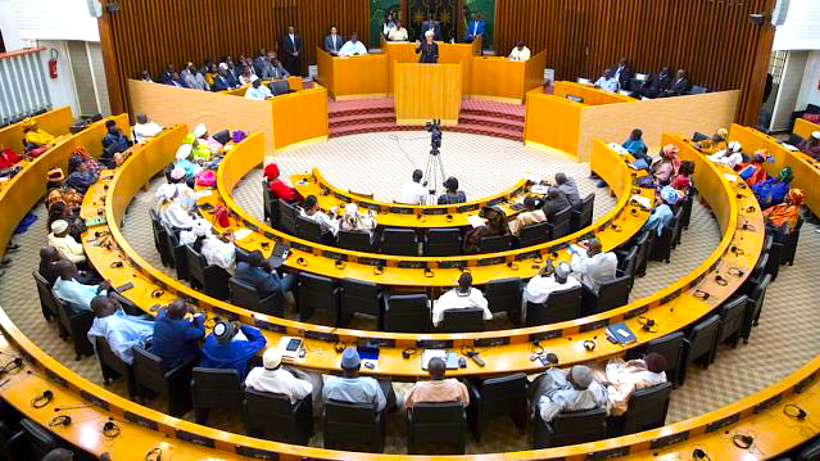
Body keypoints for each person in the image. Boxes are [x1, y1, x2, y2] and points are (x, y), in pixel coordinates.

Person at [531, 365, 610, 423]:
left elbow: (546, 416)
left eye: (570, 373)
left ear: (574, 383)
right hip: (584, 428)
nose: (568, 372)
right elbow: (606, 411)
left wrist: (545, 399)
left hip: (561, 429)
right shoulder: (598, 391)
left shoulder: (562, 398)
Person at [87, 296, 154, 364]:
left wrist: (119, 308)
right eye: (110, 301)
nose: (113, 302)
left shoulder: (99, 319)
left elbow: (122, 319)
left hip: (142, 331)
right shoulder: (112, 327)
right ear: (105, 307)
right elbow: (121, 349)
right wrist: (142, 341)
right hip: (149, 341)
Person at [598, 353, 667, 416]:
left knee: (595, 368)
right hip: (645, 405)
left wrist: (611, 386)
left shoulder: (638, 382)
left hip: (620, 388)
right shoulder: (661, 375)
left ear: (648, 368)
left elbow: (620, 395)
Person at [323, 347, 387, 412]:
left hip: (336, 420)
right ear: (359, 367)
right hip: (364, 420)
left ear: (342, 366)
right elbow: (381, 405)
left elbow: (325, 400)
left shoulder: (330, 384)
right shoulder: (371, 385)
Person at [200, 320, 266, 379]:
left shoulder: (209, 341)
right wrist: (242, 326)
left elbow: (211, 335)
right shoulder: (240, 348)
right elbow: (261, 341)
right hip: (234, 382)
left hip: (210, 380)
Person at [245, 348, 314, 404]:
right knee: (315, 378)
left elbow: (247, 384)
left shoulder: (254, 373)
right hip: (288, 411)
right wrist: (298, 371)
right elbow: (306, 390)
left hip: (262, 410)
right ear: (280, 362)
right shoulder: (287, 378)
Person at [151, 300, 205, 369]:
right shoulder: (183, 327)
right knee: (195, 345)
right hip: (171, 365)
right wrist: (195, 313)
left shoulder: (160, 317)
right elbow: (201, 333)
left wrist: (173, 307)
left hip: (154, 360)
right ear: (183, 314)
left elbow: (162, 309)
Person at [404, 356, 469, 408]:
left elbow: (407, 403)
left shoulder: (418, 388)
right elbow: (465, 403)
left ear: (429, 372)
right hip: (451, 420)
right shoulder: (456, 385)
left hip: (425, 421)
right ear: (445, 371)